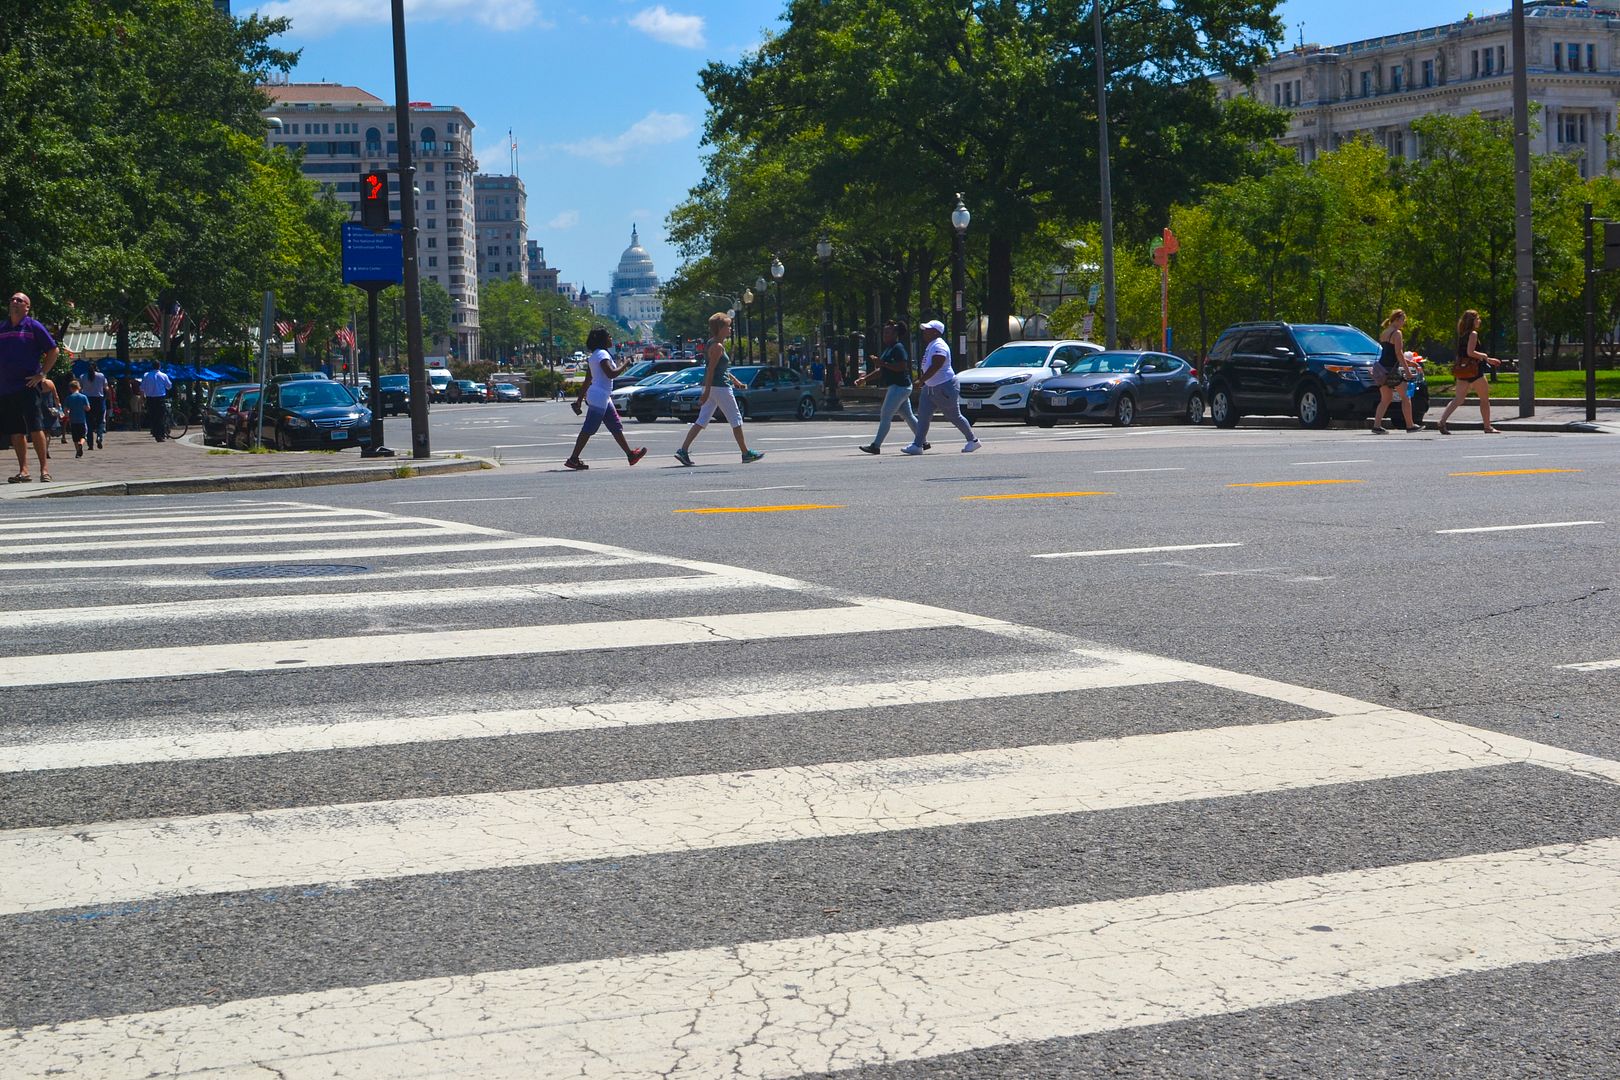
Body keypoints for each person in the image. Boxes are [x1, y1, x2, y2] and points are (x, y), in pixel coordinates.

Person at [674, 312, 764, 466]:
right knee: (736, 419)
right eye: (728, 326)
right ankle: (745, 453)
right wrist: (707, 391)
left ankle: (683, 450)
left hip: (715, 386)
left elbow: (722, 369)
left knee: (702, 420)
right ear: (720, 328)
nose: (730, 329)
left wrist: (736, 381)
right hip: (720, 388)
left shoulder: (712, 343)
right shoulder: (717, 347)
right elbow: (710, 370)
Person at [564, 327, 647, 471]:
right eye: (609, 336)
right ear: (603, 340)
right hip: (600, 396)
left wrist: (579, 400)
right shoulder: (602, 354)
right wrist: (626, 363)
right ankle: (573, 459)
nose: (611, 339)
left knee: (615, 426)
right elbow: (611, 374)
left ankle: (630, 455)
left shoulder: (594, 355)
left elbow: (587, 380)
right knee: (589, 428)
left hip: (601, 395)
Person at [1, 291, 57, 483]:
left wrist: (42, 373)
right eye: (12, 299)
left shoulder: (33, 326)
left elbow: (53, 350)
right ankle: (23, 470)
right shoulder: (3, 327)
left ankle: (44, 470)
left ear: (27, 307)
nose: (15, 302)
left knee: (35, 426)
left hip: (28, 384)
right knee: (15, 430)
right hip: (6, 387)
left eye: (20, 300)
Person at [904, 319, 980, 454]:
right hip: (931, 387)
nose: (924, 332)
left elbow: (937, 364)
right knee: (923, 416)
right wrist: (925, 382)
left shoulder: (939, 345)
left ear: (935, 332)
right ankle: (917, 445)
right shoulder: (931, 345)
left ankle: (973, 441)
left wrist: (921, 380)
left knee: (954, 416)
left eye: (927, 330)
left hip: (944, 386)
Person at [856, 320, 928, 454]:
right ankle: (923, 441)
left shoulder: (898, 348)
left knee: (885, 414)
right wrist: (864, 379)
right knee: (908, 416)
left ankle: (876, 446)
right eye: (884, 332)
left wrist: (882, 362)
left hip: (899, 387)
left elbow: (902, 367)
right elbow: (881, 370)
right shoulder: (889, 349)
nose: (884, 335)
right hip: (899, 387)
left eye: (888, 332)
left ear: (895, 334)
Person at [1438, 309, 1502, 435]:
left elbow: (1463, 353)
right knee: (1484, 399)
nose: (1480, 321)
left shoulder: (1462, 334)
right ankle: (1487, 427)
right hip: (1474, 370)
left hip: (1463, 370)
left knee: (1458, 399)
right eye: (1478, 318)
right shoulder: (1473, 334)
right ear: (1473, 321)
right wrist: (1484, 356)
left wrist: (1487, 359)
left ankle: (1442, 421)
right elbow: (1470, 352)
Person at [1369, 309, 1419, 434]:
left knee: (1386, 398)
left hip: (1381, 369)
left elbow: (1388, 353)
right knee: (1406, 396)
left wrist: (1411, 363)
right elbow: (1398, 354)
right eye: (1403, 320)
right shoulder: (1397, 333)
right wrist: (1408, 372)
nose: (1403, 323)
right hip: (1391, 370)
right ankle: (1410, 425)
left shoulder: (1385, 332)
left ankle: (1376, 425)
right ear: (1397, 319)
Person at [140, 360, 173, 442]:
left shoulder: (147, 375)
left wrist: (142, 397)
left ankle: (155, 432)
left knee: (153, 416)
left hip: (150, 398)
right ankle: (160, 434)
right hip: (160, 398)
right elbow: (169, 386)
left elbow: (142, 387)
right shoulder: (163, 375)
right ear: (159, 366)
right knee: (160, 417)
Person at [82, 360, 108, 449]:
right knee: (100, 420)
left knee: (89, 422)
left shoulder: (83, 376)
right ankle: (99, 436)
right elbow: (105, 387)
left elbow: (81, 388)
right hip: (99, 399)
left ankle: (90, 444)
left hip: (87, 399)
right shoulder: (101, 376)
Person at [63, 379, 90, 458]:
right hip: (82, 419)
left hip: (73, 420)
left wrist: (67, 415)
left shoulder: (69, 398)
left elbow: (65, 409)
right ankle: (81, 444)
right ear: (79, 387)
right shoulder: (83, 397)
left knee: (75, 437)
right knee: (83, 436)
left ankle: (77, 451)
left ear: (70, 388)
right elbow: (88, 408)